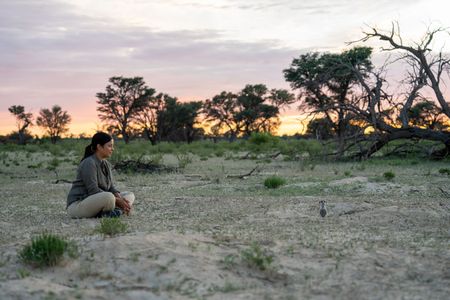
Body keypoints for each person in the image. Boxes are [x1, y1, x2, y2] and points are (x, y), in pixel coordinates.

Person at [67, 132, 135, 218]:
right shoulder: (89, 162)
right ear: (99, 147)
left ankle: (111, 212)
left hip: (99, 200)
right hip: (78, 205)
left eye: (112, 146)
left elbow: (111, 187)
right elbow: (93, 190)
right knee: (109, 197)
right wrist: (117, 200)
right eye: (109, 146)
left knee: (129, 195)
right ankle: (114, 211)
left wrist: (119, 198)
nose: (112, 149)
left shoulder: (106, 163)